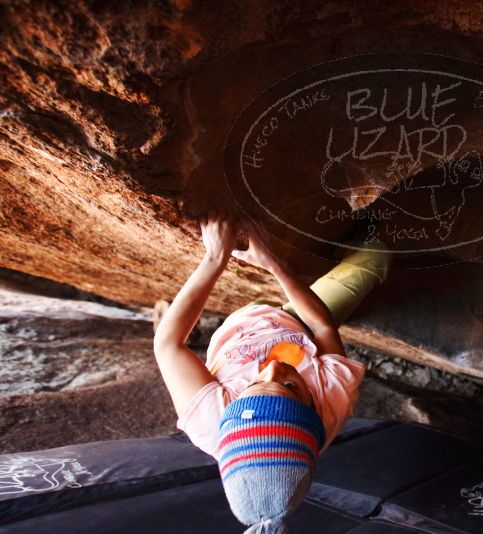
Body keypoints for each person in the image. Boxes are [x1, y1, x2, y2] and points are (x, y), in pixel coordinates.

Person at [152, 212, 391, 533]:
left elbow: (167, 344)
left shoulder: (209, 420)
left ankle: (186, 332)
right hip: (296, 323)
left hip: (237, 329)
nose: (273, 368)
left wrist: (214, 258)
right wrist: (275, 264)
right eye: (292, 386)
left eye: (253, 383)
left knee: (173, 344)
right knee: (375, 258)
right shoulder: (334, 397)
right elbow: (321, 326)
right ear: (313, 408)